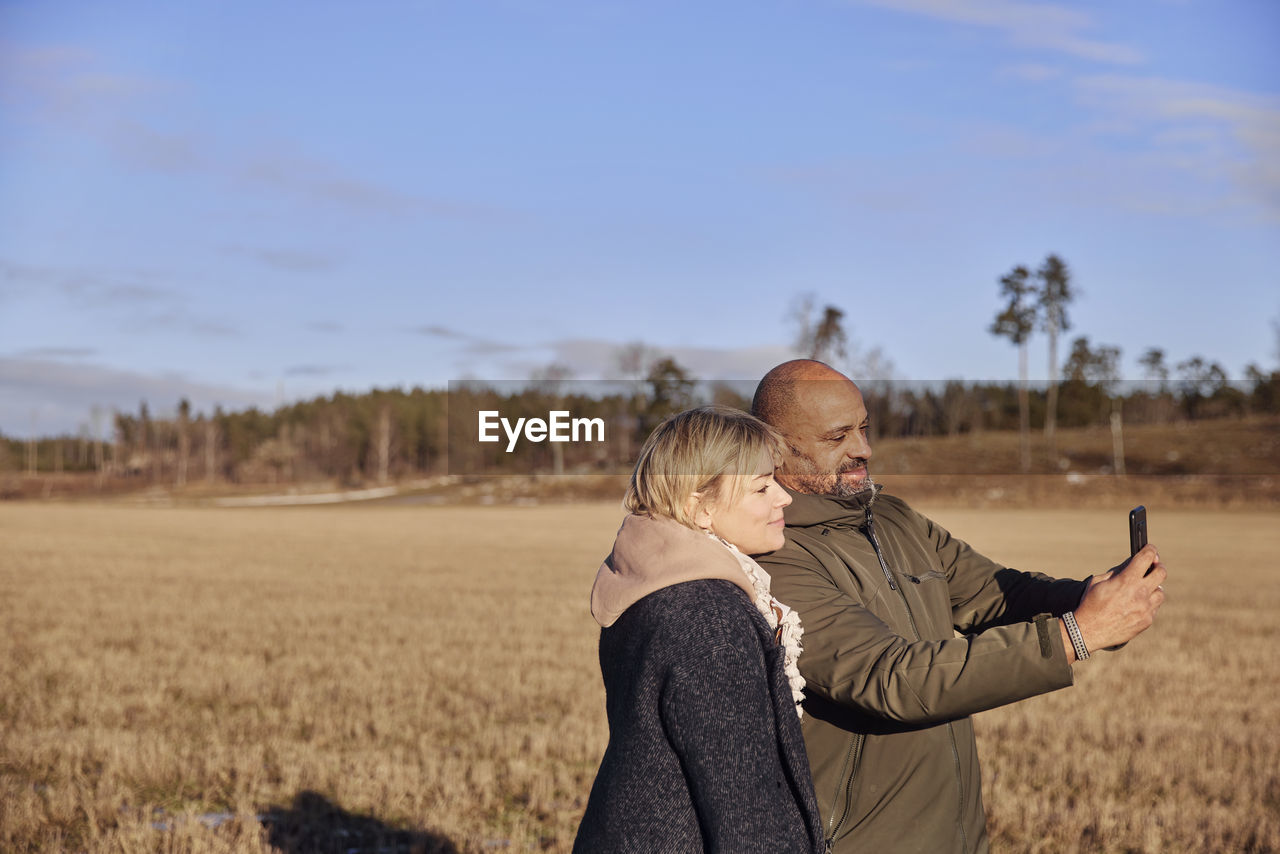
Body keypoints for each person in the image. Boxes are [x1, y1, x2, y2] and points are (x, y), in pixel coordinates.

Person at [751, 360, 1168, 854]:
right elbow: (894, 678)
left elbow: (993, 591)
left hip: (959, 836)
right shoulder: (773, 557)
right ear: (774, 448)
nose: (863, 449)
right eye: (837, 437)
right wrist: (1077, 634)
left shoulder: (892, 517)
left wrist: (1093, 596)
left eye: (864, 428)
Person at [574, 406, 826, 854]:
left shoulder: (656, 584)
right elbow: (747, 815)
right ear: (700, 507)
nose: (783, 497)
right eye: (761, 486)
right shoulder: (708, 619)